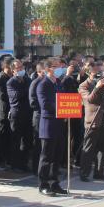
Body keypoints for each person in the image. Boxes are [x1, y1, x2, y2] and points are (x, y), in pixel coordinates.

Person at [35, 58, 68, 197]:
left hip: (60, 123)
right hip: (48, 124)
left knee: (57, 156)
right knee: (46, 157)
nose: (60, 69)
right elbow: (45, 105)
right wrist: (61, 107)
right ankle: (43, 184)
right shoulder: (42, 84)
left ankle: (55, 183)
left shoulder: (59, 83)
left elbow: (64, 98)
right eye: (56, 66)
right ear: (49, 69)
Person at [78, 61, 104, 182]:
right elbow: (90, 100)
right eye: (95, 71)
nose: (97, 72)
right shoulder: (83, 85)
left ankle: (99, 172)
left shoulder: (103, 82)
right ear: (89, 72)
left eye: (98, 70)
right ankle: (84, 173)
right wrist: (97, 87)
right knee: (88, 148)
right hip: (92, 120)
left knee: (102, 148)